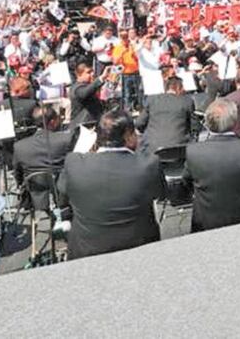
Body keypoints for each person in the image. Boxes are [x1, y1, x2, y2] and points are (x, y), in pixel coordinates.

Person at [58, 110, 165, 259]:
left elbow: (62, 192)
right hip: (140, 249)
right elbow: (160, 194)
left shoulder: (74, 162)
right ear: (128, 136)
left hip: (87, 252)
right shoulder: (148, 164)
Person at [183, 98, 240, 232]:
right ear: (235, 122)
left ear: (207, 123)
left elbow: (187, 183)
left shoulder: (193, 151)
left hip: (207, 222)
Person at [12, 105, 75, 211]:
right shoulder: (66, 140)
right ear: (52, 122)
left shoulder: (20, 146)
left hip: (37, 196)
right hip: (65, 194)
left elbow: (18, 175)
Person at [136, 75, 195, 153]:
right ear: (178, 88)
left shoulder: (152, 100)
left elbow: (139, 123)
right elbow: (195, 127)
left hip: (151, 149)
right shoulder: (187, 101)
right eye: (183, 88)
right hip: (178, 150)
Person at [69, 62, 110, 128]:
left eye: (92, 72)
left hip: (94, 123)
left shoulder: (88, 85)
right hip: (82, 126)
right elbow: (85, 93)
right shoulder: (76, 88)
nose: (92, 74)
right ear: (79, 75)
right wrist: (101, 78)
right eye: (88, 72)